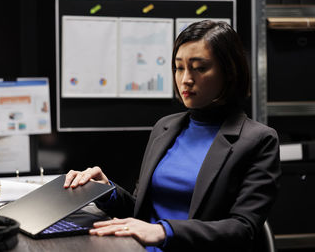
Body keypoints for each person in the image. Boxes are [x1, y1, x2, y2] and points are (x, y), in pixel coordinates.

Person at [63, 20, 281, 252]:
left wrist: (163, 230)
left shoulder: (259, 140)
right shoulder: (165, 128)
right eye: (179, 67)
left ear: (229, 73)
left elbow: (243, 229)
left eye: (199, 67)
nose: (185, 78)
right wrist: (106, 191)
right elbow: (141, 211)